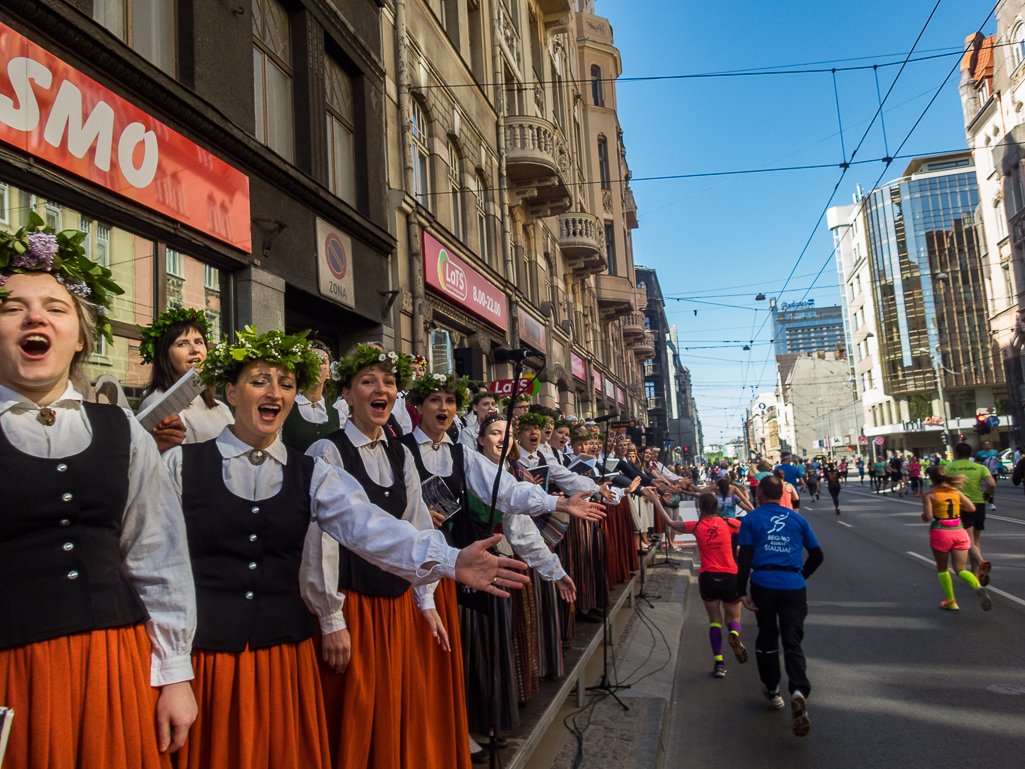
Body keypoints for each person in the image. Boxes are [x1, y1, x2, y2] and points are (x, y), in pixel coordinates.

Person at [0, 220, 199, 769]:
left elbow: (156, 553)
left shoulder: (122, 430)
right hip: (12, 676)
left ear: (81, 337)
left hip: (115, 663)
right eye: (13, 306)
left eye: (56, 308)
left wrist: (174, 673)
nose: (35, 316)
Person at [736, 475, 823, 738]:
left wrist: (741, 591)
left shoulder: (751, 519)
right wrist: (801, 575)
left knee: (767, 635)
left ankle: (772, 690)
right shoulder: (798, 519)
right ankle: (798, 690)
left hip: (763, 583)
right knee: (793, 641)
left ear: (760, 493)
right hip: (793, 585)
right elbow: (817, 555)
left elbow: (745, 558)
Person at [653, 492, 747, 678]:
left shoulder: (695, 526)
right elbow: (749, 529)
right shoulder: (729, 523)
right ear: (716, 507)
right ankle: (734, 634)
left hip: (709, 578)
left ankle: (719, 663)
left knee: (714, 620)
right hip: (730, 576)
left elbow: (671, 524)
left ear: (699, 508)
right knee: (733, 618)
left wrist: (657, 502)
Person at [138, 306, 234, 451]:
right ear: (165, 356)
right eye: (182, 344)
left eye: (199, 342)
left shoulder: (221, 408)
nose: (195, 349)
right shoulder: (158, 403)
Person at [921, 466, 991, 612]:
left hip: (941, 532)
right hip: (959, 531)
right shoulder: (956, 492)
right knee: (960, 569)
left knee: (942, 568)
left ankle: (951, 601)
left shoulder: (929, 495)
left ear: (932, 479)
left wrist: (924, 516)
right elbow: (971, 508)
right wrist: (958, 506)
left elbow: (927, 517)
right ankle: (976, 585)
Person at [280, 339, 342, 452]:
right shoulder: (284, 409)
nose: (316, 365)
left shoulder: (339, 416)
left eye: (322, 361)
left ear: (329, 373)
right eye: (311, 360)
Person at [946, 442, 995, 586]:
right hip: (978, 504)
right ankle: (976, 574)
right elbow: (991, 484)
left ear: (956, 454)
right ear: (970, 454)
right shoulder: (980, 467)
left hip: (960, 505)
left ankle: (981, 562)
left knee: (967, 541)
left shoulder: (949, 468)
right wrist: (986, 495)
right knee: (976, 540)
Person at [977, 441, 1000, 506]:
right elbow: (976, 462)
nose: (988, 445)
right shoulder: (980, 454)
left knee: (993, 486)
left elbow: (1000, 461)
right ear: (983, 446)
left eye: (988, 444)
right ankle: (990, 501)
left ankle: (989, 499)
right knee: (988, 485)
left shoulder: (994, 452)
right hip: (985, 472)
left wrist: (997, 460)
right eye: (986, 444)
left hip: (994, 472)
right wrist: (981, 464)